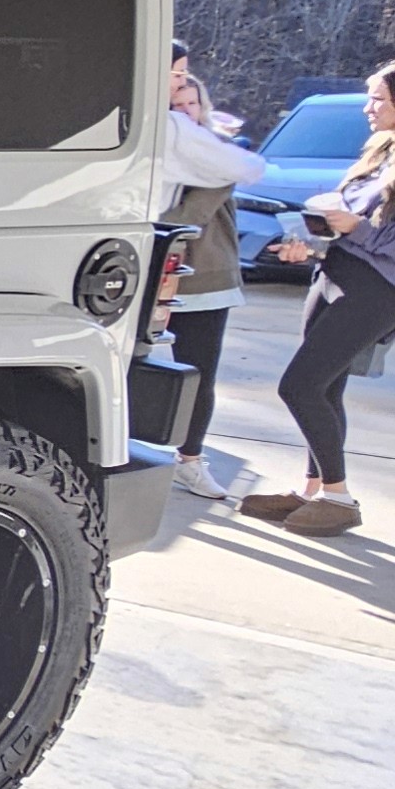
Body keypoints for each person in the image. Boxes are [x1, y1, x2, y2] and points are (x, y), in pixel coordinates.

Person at [244, 57, 395, 537]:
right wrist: (310, 241)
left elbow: (376, 233)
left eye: (379, 99)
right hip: (334, 272)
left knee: (299, 385)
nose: (369, 107)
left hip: (375, 289)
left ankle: (339, 496)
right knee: (327, 387)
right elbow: (348, 220)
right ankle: (312, 490)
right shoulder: (379, 152)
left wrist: (358, 229)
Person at [157, 48, 265, 501]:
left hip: (205, 279)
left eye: (192, 102)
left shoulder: (218, 159)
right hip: (155, 276)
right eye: (177, 100)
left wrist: (165, 225)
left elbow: (194, 214)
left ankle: (191, 460)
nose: (185, 109)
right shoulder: (163, 144)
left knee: (199, 373)